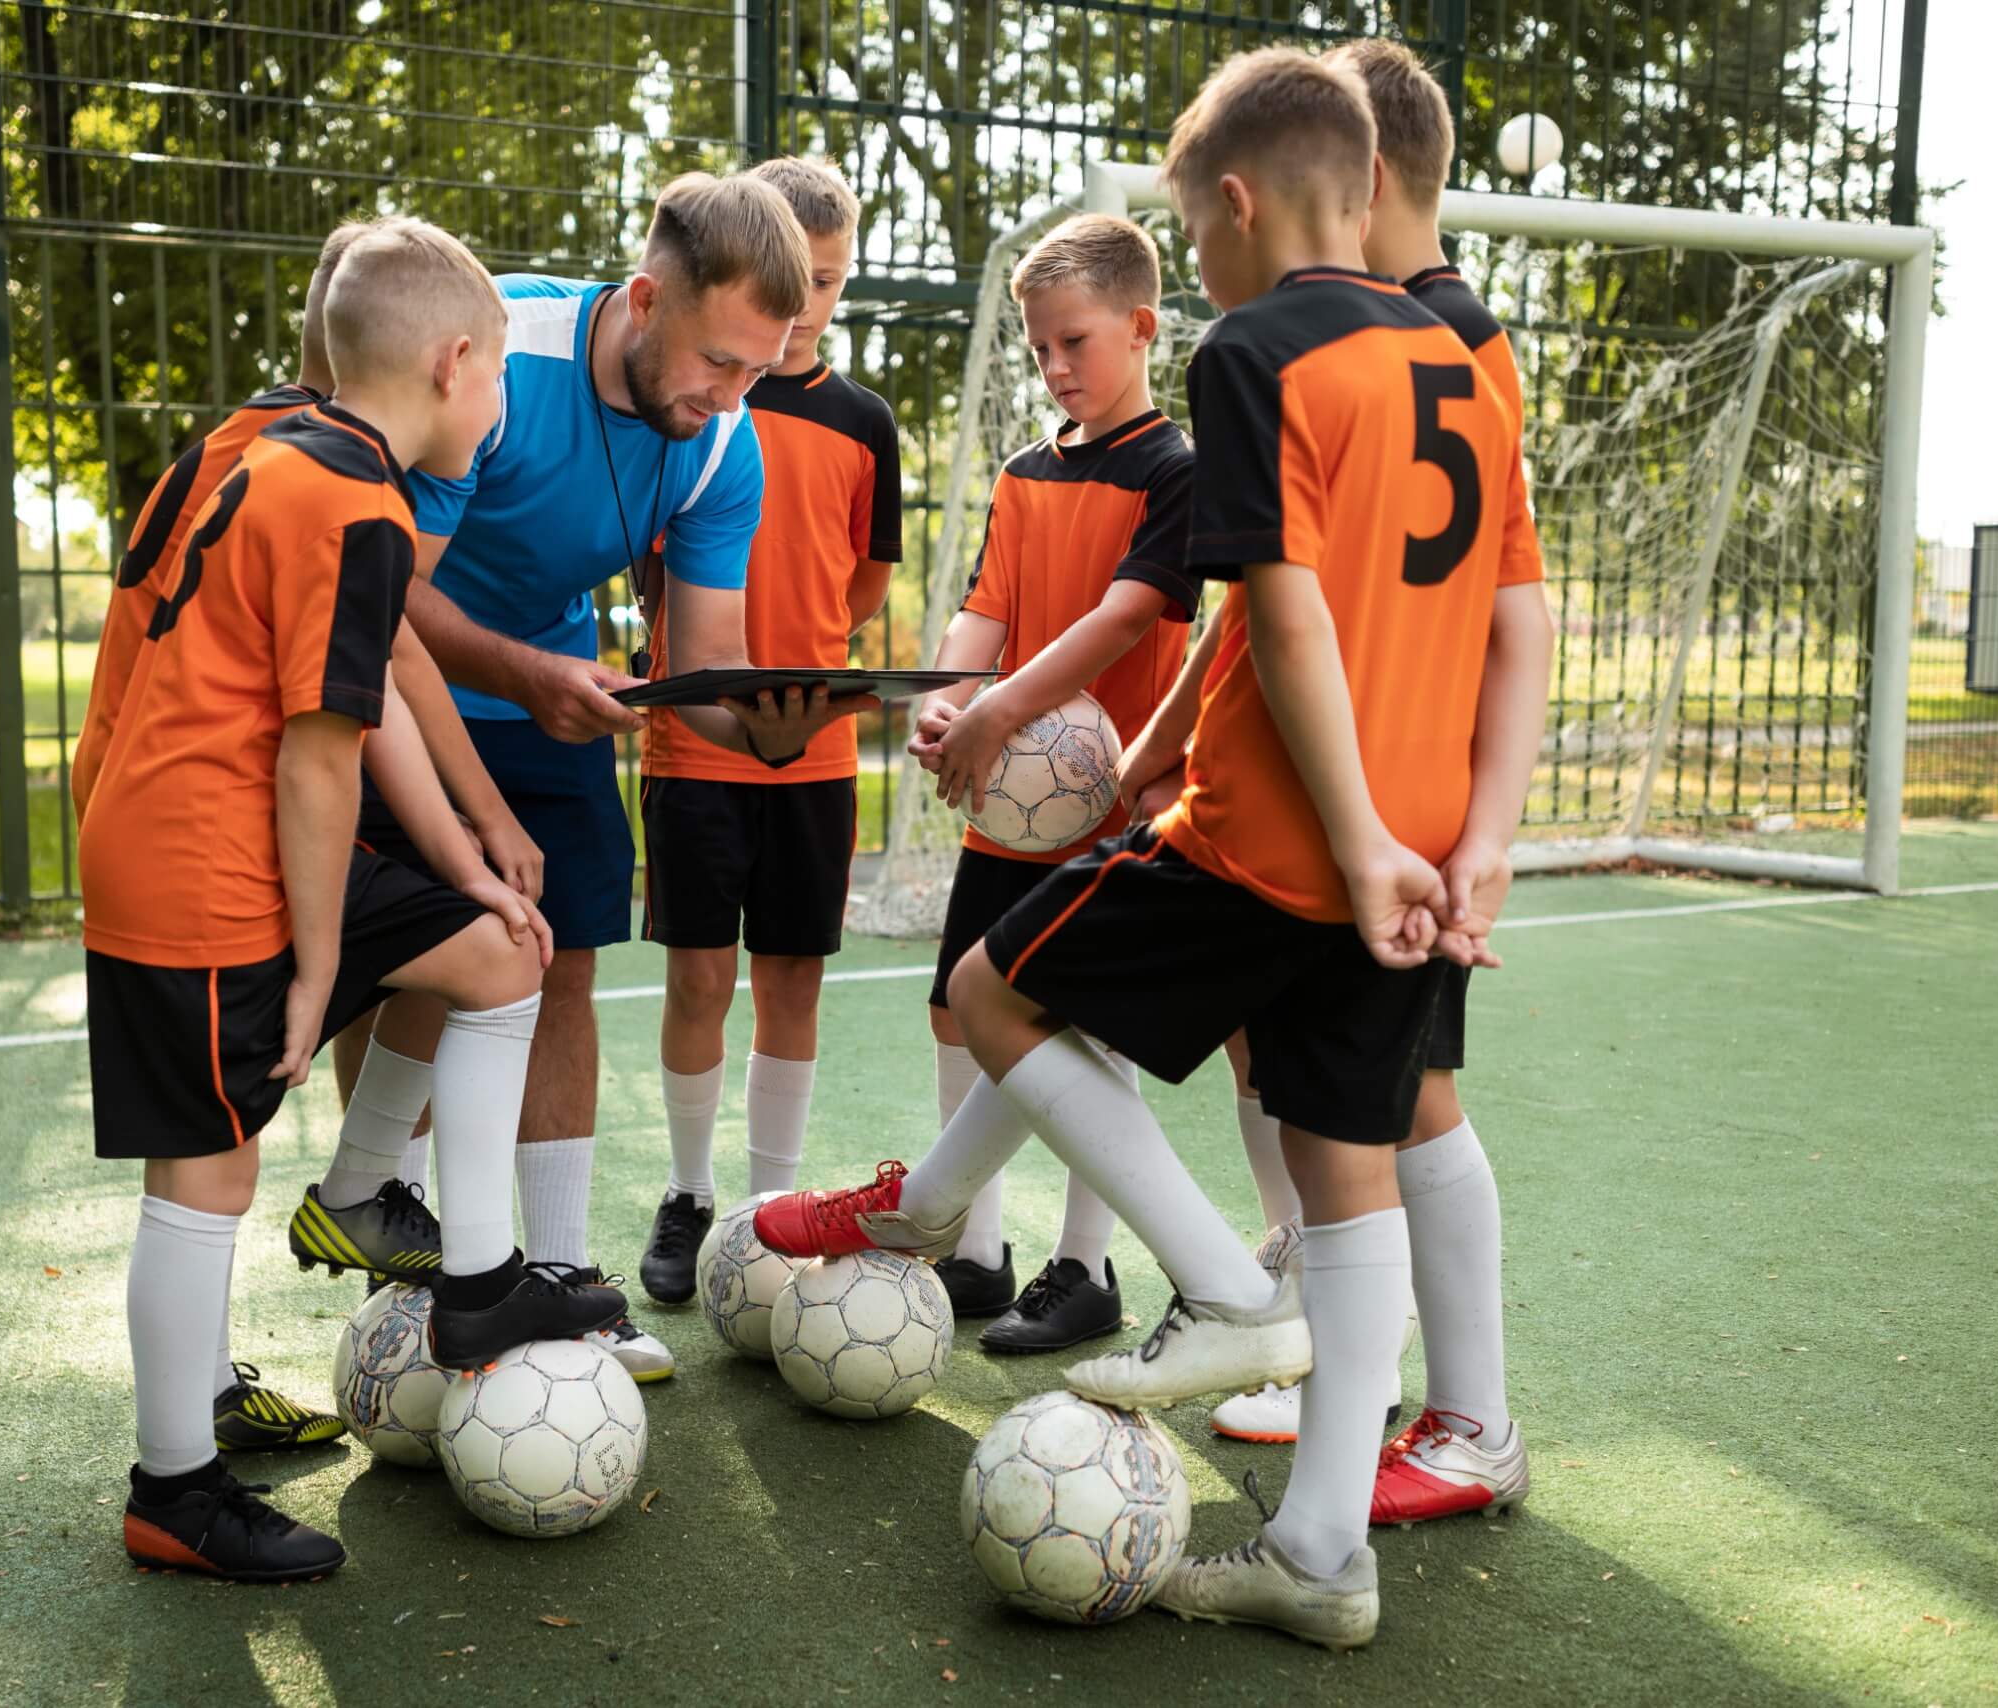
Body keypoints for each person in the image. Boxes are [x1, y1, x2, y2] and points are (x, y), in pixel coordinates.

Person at [756, 48, 1543, 1649]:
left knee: (990, 993)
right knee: (1346, 1173)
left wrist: (1326, 828)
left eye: (1192, 239)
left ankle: (1221, 1296)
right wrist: (1470, 845)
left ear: (1238, 206)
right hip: (1416, 850)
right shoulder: (1467, 357)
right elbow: (1524, 619)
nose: (1197, 273)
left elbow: (1287, 609)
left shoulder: (1258, 351)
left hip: (1268, 842)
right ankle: (1324, 1556)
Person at [77, 218, 625, 1582]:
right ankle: (174, 1487)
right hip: (204, 856)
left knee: (502, 951)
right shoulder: (356, 502)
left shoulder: (267, 436)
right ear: (451, 367)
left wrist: (472, 846)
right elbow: (323, 755)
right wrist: (324, 967)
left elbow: (364, 672)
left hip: (180, 826)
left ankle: (481, 1282)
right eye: (497, 379)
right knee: (209, 1162)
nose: (500, 412)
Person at [401, 172, 872, 1381]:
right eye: (718, 362)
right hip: (406, 694)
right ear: (647, 298)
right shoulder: (496, 356)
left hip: (550, 695)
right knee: (411, 975)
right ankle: (404, 1280)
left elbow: (705, 669)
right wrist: (527, 673)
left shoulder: (725, 441)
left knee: (561, 964)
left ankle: (560, 1285)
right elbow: (386, 594)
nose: (730, 398)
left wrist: (773, 729)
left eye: (758, 372)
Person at [1202, 41, 1552, 1522]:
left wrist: (1476, 827)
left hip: (1390, 797)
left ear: (1368, 182)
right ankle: (1357, 1376)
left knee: (1409, 1098)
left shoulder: (1434, 345)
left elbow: (1506, 607)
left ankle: (1465, 1414)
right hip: (1387, 799)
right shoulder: (1417, 335)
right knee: (1317, 1087)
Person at [899, 212, 1196, 1354]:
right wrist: (949, 697)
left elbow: (1127, 617)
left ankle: (1086, 1266)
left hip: (1111, 802)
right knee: (954, 1009)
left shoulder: (1176, 471)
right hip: (1006, 804)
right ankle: (974, 1251)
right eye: (1038, 351)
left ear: (1140, 328)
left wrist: (1000, 707)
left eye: (1075, 342)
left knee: (1086, 1030)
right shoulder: (1027, 472)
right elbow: (987, 606)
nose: (1057, 367)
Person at [632, 156, 902, 1302]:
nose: (807, 308)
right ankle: (692, 1194)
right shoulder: (691, 401)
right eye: (793, 276)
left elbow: (866, 583)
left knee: (791, 980)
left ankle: (763, 1210)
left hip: (817, 756)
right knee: (700, 976)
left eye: (830, 283)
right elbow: (652, 566)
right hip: (694, 745)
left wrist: (798, 681)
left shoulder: (864, 422)